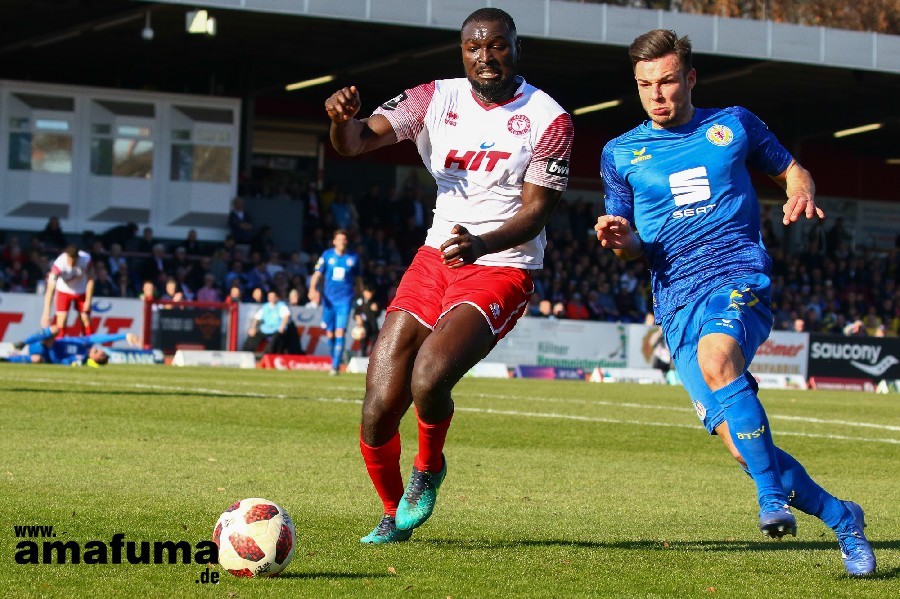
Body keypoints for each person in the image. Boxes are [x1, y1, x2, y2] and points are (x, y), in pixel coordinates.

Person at [595, 29, 875, 576]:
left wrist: (800, 188)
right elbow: (626, 236)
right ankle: (844, 519)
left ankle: (771, 501)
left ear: (690, 79)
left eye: (668, 81)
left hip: (737, 275)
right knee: (746, 450)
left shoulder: (736, 123)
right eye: (645, 84)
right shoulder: (619, 152)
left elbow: (791, 168)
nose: (657, 94)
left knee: (717, 359)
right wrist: (618, 239)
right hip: (675, 299)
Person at [324, 7, 573, 543]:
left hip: (503, 264)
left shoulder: (550, 118)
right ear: (462, 51)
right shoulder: (433, 98)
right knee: (377, 407)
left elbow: (537, 212)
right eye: (474, 48)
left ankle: (429, 468)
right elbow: (357, 143)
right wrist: (340, 121)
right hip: (437, 256)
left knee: (429, 376)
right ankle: (393, 515)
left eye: (497, 46)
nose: (485, 57)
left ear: (515, 47)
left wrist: (481, 243)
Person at [307, 229, 361, 375]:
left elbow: (358, 279)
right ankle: (334, 360)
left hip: (345, 299)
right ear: (334, 241)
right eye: (339, 239)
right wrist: (312, 289)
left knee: (340, 332)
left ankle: (335, 365)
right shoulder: (327, 255)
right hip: (329, 300)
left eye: (344, 239)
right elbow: (317, 274)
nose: (342, 242)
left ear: (346, 241)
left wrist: (360, 295)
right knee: (330, 334)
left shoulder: (353, 258)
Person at [3, 324, 139, 366]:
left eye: (99, 353)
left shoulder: (79, 358)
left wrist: (50, 348)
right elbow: (101, 337)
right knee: (55, 329)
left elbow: (58, 361)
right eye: (100, 350)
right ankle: (22, 343)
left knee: (37, 360)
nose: (98, 350)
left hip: (46, 354)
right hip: (43, 343)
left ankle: (7, 359)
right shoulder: (85, 343)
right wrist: (124, 336)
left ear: (95, 359)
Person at [42, 245, 95, 335]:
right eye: (69, 260)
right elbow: (50, 290)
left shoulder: (86, 260)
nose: (71, 263)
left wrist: (88, 300)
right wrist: (46, 313)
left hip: (81, 290)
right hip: (63, 291)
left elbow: (91, 279)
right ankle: (60, 344)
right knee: (61, 320)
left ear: (78, 258)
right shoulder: (59, 264)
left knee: (85, 318)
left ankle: (88, 345)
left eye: (74, 261)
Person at [242, 289, 296, 355]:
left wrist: (282, 326)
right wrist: (253, 327)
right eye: (270, 297)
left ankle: (267, 357)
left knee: (275, 341)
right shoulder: (265, 306)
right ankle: (245, 354)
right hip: (265, 329)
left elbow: (286, 316)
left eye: (273, 297)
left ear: (277, 297)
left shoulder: (281, 306)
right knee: (252, 336)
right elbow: (257, 318)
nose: (271, 298)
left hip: (277, 330)